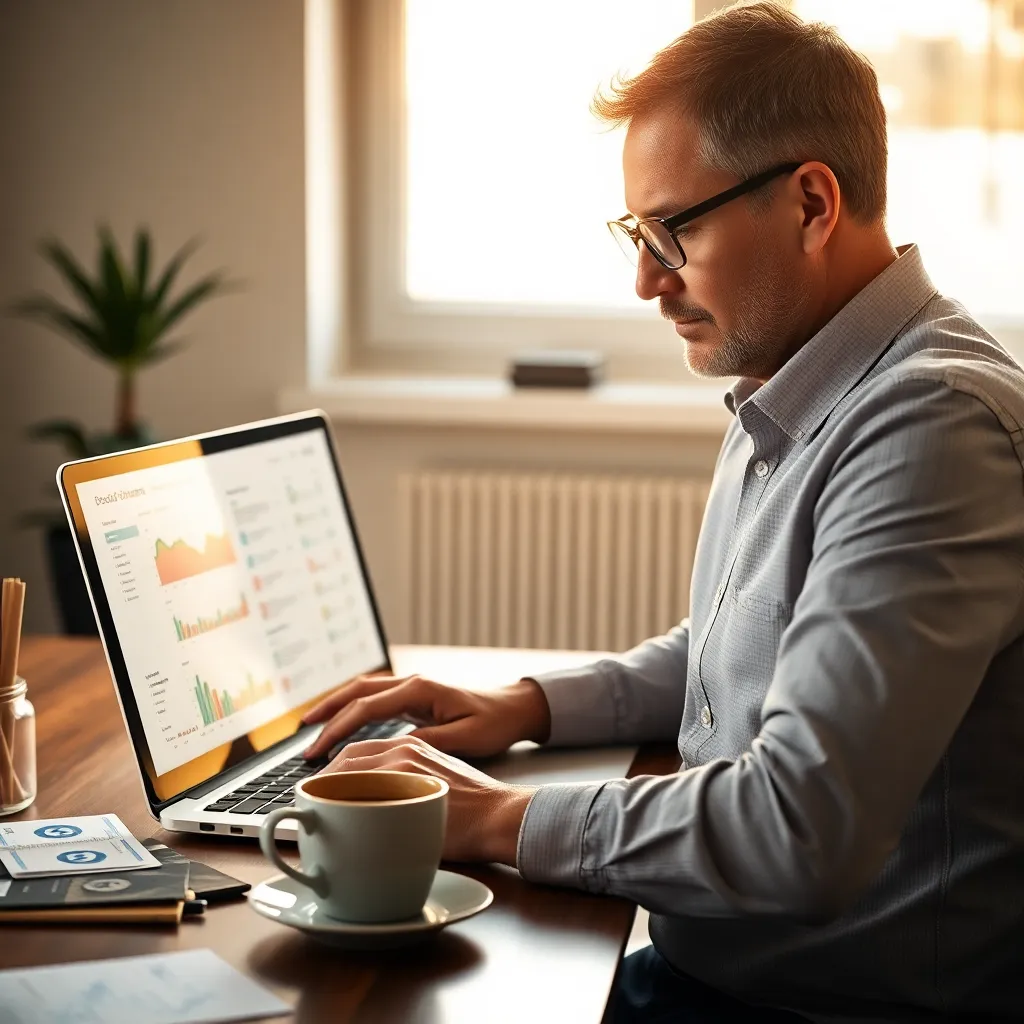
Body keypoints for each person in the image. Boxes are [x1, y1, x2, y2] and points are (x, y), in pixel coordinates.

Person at [302, 3, 1024, 1020]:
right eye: (637, 234)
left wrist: (495, 817)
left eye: (672, 231)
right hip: (712, 978)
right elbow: (747, 645)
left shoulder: (930, 426)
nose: (645, 280)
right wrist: (526, 704)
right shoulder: (800, 381)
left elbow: (799, 828)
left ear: (811, 202)